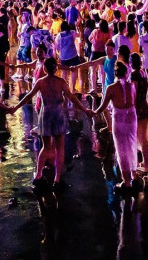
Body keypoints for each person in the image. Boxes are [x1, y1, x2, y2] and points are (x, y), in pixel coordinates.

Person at [12, 57, 92, 186]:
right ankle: (57, 179)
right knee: (60, 148)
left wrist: (15, 108)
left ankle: (38, 175)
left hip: (46, 115)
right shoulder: (61, 82)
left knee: (46, 146)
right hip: (58, 115)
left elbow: (28, 96)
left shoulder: (41, 82)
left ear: (44, 69)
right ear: (56, 68)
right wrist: (85, 110)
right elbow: (72, 97)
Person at [92, 60, 139, 190]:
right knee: (132, 146)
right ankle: (134, 177)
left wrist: (93, 113)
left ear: (115, 73)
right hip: (131, 119)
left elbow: (103, 106)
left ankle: (126, 182)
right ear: (125, 73)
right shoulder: (131, 86)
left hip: (119, 120)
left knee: (121, 150)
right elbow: (134, 101)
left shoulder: (111, 88)